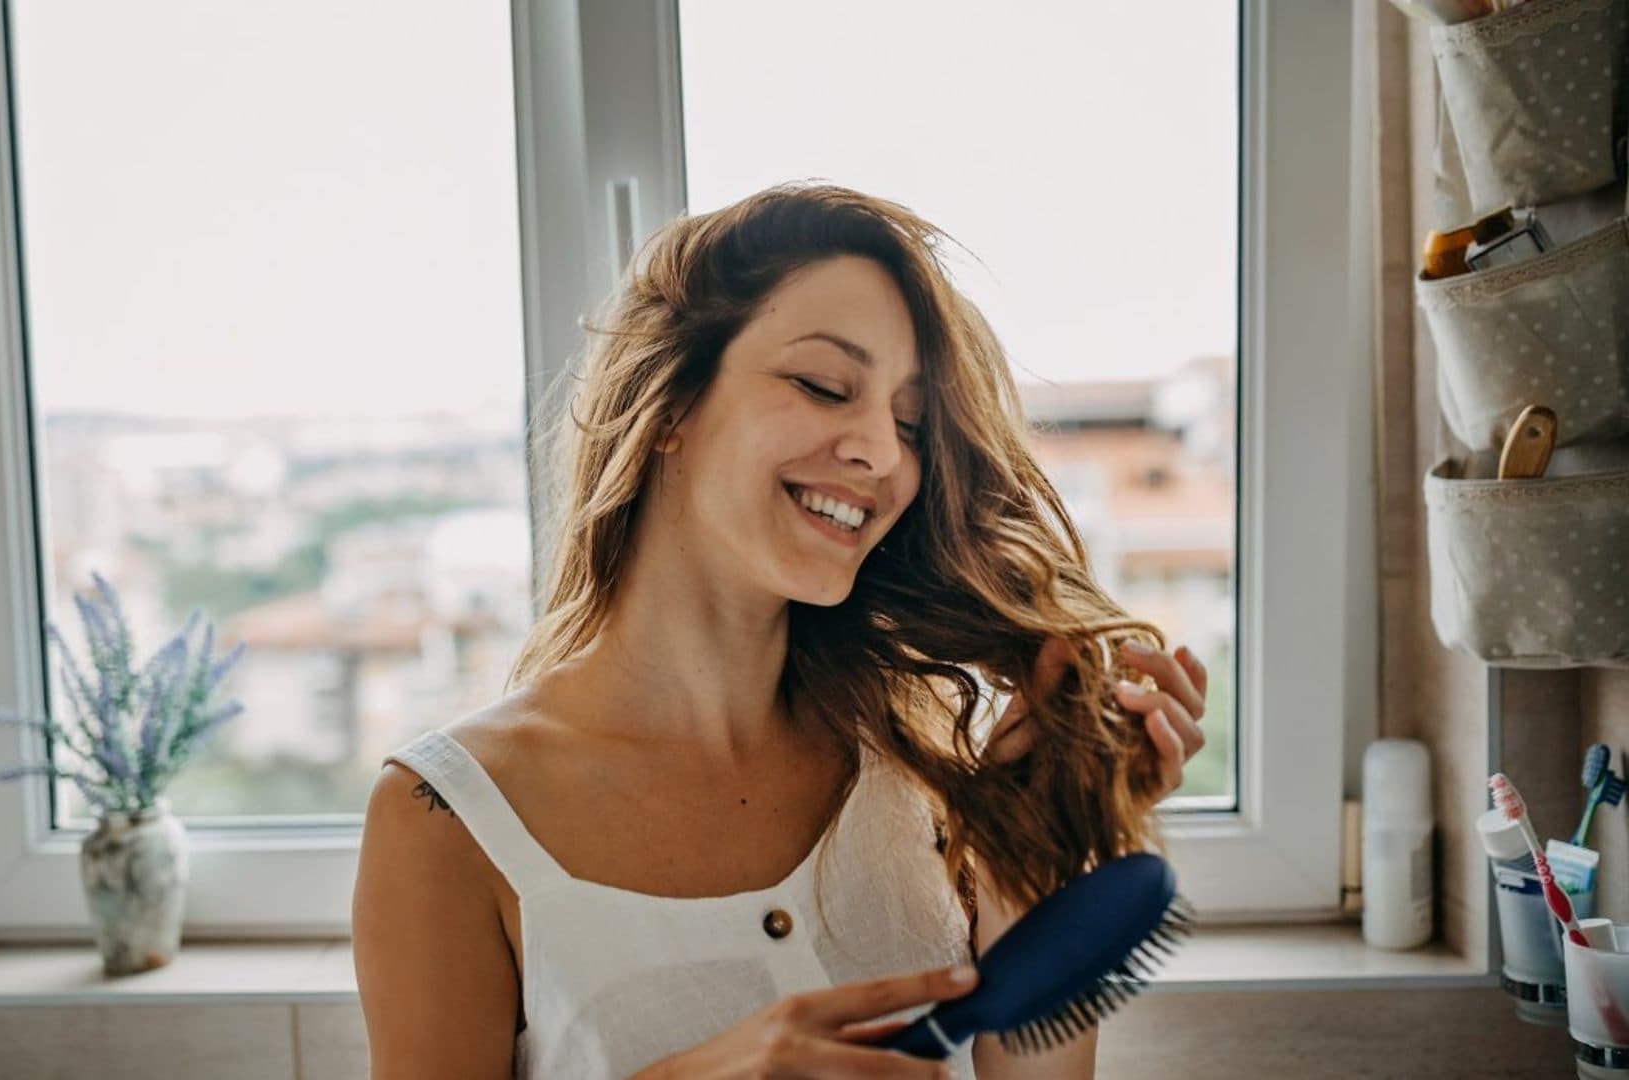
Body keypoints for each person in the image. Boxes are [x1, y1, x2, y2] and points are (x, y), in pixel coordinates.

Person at [352, 182, 1209, 1078]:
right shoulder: (451, 818)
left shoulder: (921, 770)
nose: (880, 452)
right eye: (824, 385)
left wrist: (1035, 859)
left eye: (910, 423)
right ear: (671, 401)